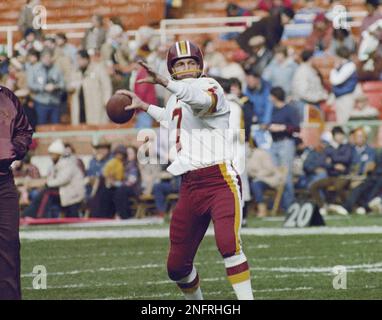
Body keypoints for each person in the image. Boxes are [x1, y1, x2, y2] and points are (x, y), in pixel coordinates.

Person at [116, 40, 254, 300]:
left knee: (228, 246)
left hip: (219, 179)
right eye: (181, 64)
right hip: (190, 185)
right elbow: (173, 117)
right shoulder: (175, 96)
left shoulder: (209, 86)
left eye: (192, 63)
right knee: (177, 267)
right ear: (173, 69)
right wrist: (145, 107)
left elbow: (200, 101)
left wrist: (167, 83)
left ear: (200, 66)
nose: (187, 68)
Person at [0, 86, 33, 300]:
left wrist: (14, 148)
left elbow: (24, 130)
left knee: (9, 244)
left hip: (3, 180)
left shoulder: (6, 96)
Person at [266, 86, 300, 210]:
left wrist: (283, 127)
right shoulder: (273, 110)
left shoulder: (289, 110)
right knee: (275, 174)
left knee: (287, 175)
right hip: (274, 143)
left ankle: (289, 205)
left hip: (286, 142)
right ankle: (278, 205)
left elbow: (296, 128)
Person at [310, 126, 353, 216]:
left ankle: (343, 206)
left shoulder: (347, 147)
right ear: (333, 136)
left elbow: (346, 159)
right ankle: (322, 206)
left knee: (338, 186)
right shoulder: (328, 148)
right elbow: (321, 162)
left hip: (343, 176)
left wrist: (331, 159)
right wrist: (334, 165)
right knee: (313, 186)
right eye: (338, 135)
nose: (340, 137)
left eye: (342, 135)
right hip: (331, 176)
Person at [68, 50, 112, 125]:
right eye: (77, 59)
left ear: (86, 59)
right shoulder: (75, 71)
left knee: (95, 125)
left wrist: (106, 101)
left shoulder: (98, 68)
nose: (78, 61)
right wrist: (71, 87)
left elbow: (106, 86)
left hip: (95, 104)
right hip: (79, 104)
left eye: (79, 59)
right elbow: (69, 86)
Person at [27, 49, 65, 125]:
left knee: (56, 127)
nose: (47, 60)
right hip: (41, 102)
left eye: (49, 57)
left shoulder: (57, 69)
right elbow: (30, 84)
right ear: (41, 58)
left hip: (55, 102)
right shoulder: (34, 69)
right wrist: (43, 87)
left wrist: (55, 87)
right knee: (41, 126)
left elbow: (63, 84)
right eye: (45, 58)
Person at [329, 46, 360, 124]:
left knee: (345, 122)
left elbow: (335, 81)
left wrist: (335, 69)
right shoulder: (343, 66)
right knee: (340, 122)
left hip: (346, 97)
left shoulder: (350, 66)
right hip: (340, 96)